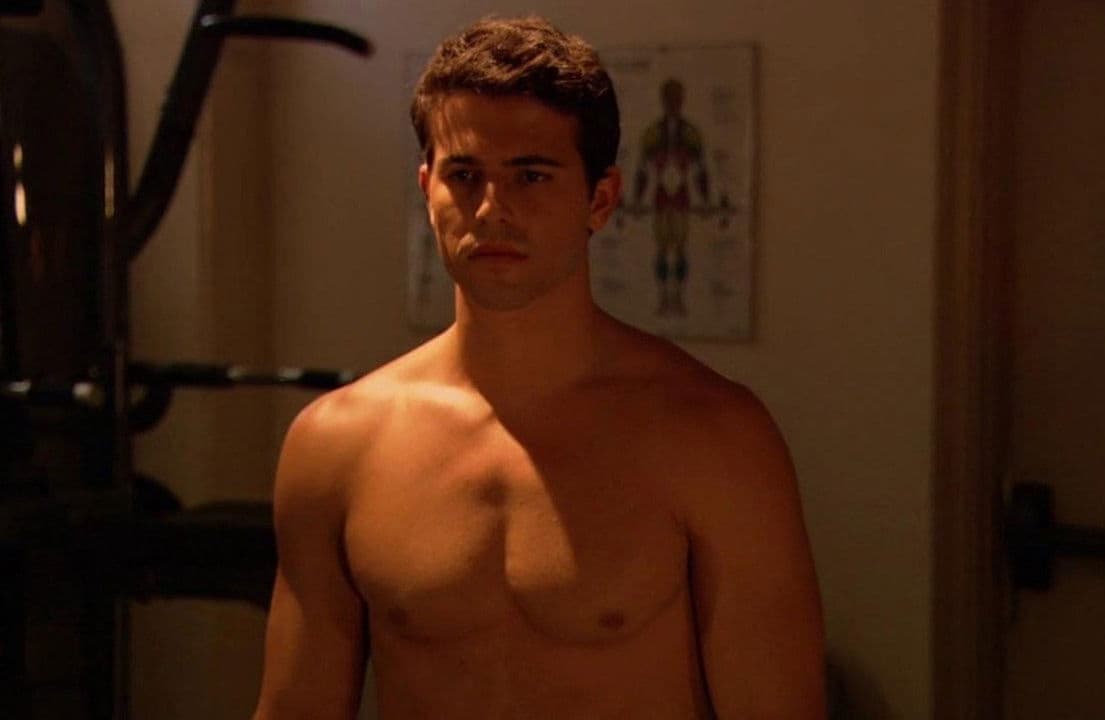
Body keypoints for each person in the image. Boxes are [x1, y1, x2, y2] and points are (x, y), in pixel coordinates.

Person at [252, 15, 824, 719]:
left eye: (531, 176)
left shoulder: (714, 437)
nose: (493, 209)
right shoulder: (338, 442)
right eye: (465, 175)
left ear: (600, 199)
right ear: (427, 189)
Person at [632, 77, 711, 317]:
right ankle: (663, 297)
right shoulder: (653, 133)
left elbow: (701, 170)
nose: (673, 103)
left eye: (677, 99)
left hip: (682, 200)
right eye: (669, 99)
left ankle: (679, 298)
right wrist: (637, 200)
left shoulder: (691, 133)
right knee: (662, 248)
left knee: (680, 249)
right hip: (660, 199)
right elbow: (642, 170)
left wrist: (705, 200)